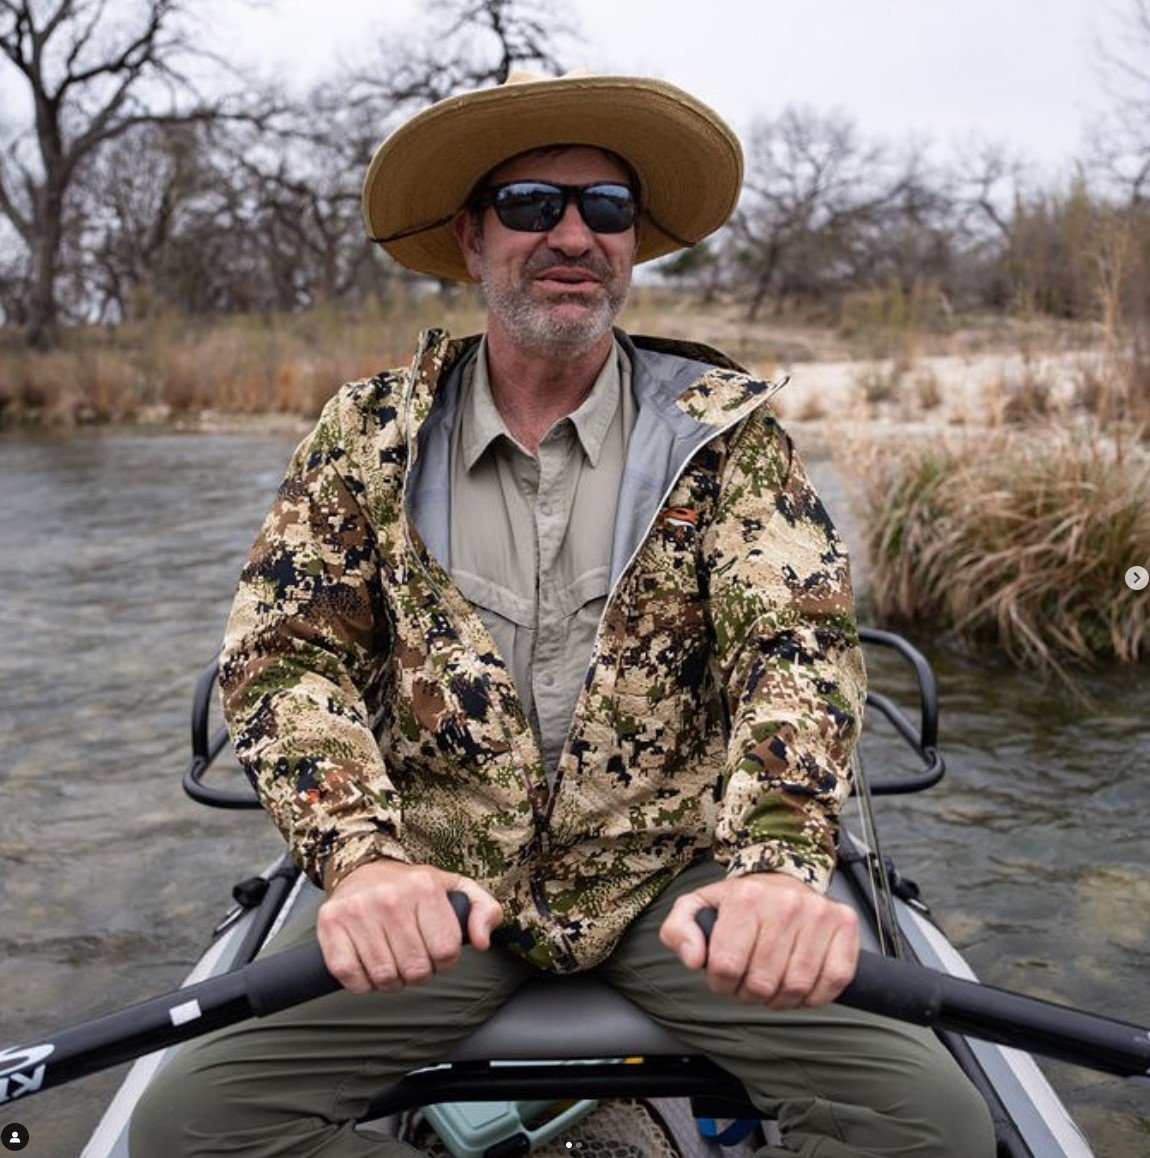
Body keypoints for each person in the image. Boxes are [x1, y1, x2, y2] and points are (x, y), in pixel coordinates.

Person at [131, 71, 995, 1157]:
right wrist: (365, 862)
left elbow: (795, 649)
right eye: (533, 205)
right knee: (187, 1128)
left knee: (933, 1123)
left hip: (671, 885)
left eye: (608, 209)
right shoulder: (366, 435)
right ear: (470, 238)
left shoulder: (723, 435)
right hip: (441, 886)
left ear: (633, 242)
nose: (574, 234)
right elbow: (282, 659)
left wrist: (777, 867)